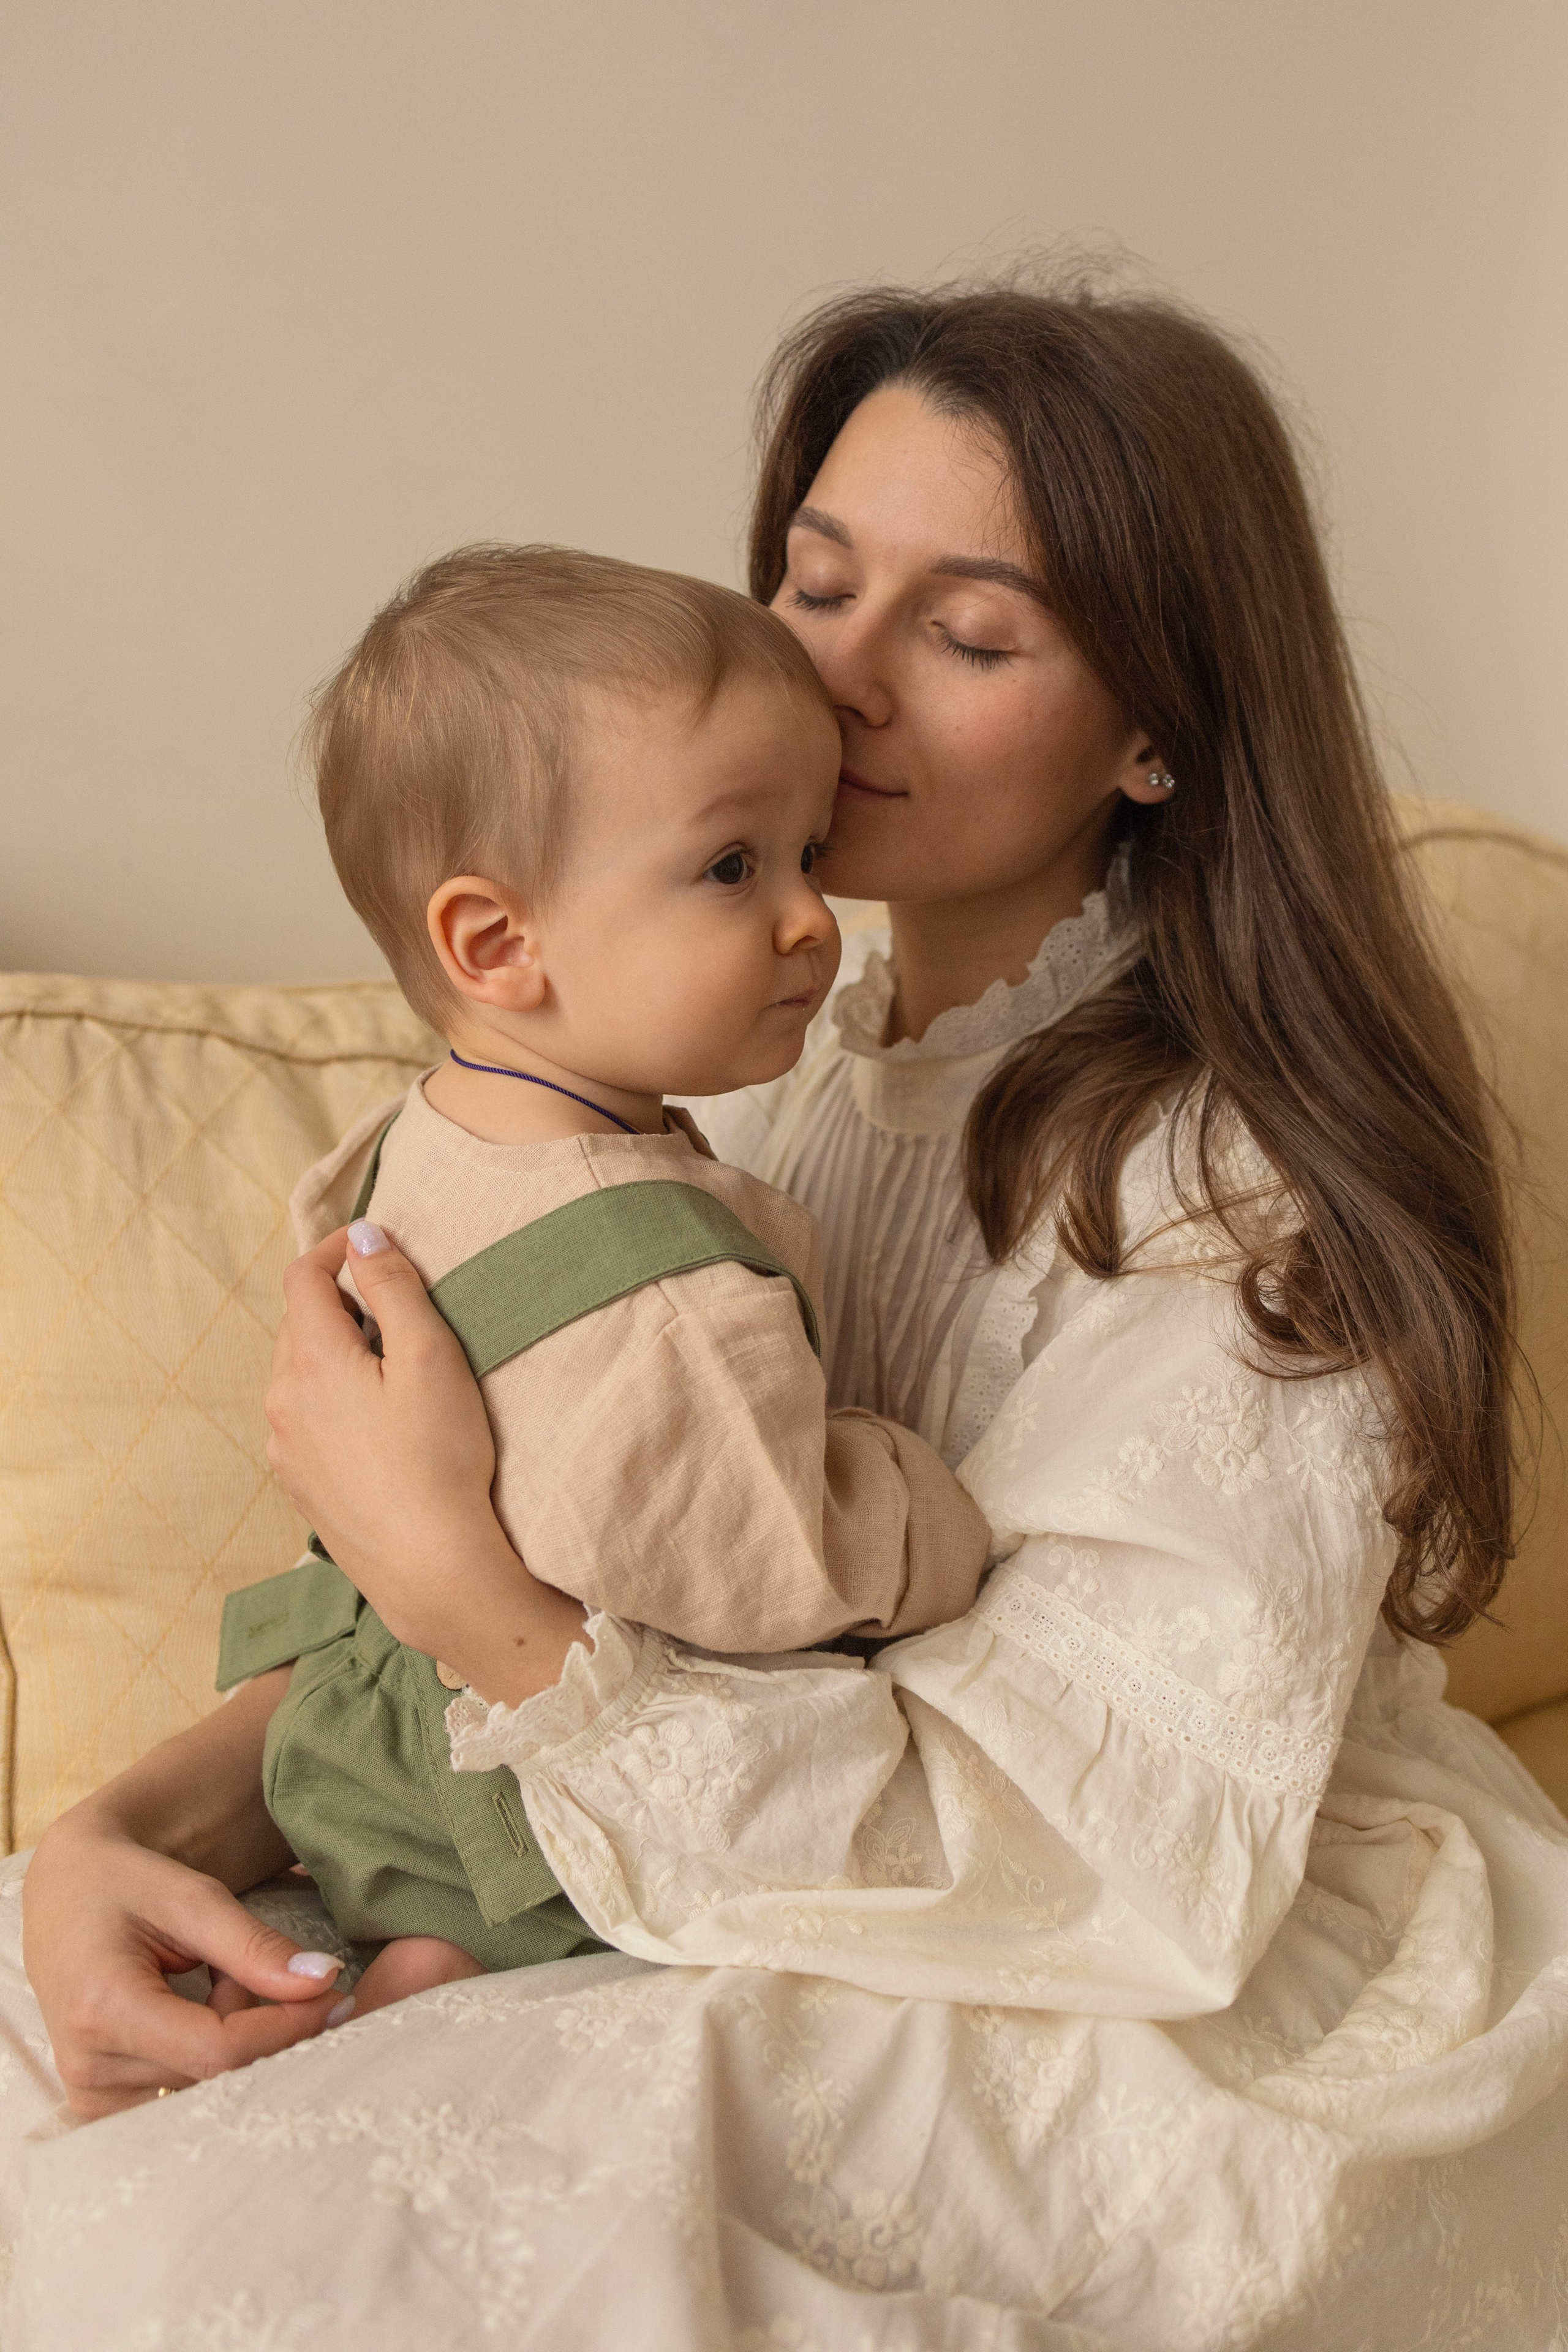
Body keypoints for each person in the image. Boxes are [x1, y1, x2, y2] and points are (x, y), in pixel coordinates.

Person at [10, 279, 1568, 2351]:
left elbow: (1106, 1858)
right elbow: (507, 1555)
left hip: (1135, 1952)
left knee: (284, 2258)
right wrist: (111, 1832)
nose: (834, 679)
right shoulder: (760, 1052)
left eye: (971, 633)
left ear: (1157, 729)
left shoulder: (1230, 1191)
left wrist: (479, 1604)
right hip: (680, 1824)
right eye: (818, 586)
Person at [214, 543, 989, 2018]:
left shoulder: (409, 1140)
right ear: (497, 942)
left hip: (351, 1753)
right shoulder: (674, 1307)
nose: (811, 920)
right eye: (732, 867)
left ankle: (415, 1956)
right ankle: (450, 1959)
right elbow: (782, 1567)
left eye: (809, 852)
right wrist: (918, 1503)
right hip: (514, 1815)